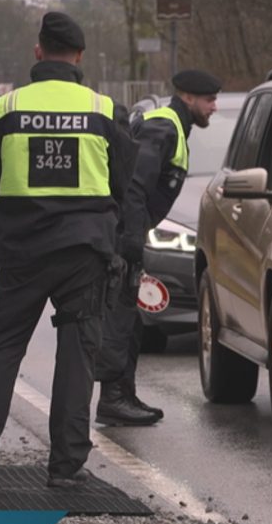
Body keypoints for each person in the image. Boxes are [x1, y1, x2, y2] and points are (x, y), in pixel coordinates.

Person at [0, 11, 135, 487]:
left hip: (23, 251)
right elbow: (122, 180)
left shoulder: (5, 108)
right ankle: (66, 468)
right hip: (85, 253)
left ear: (38, 52)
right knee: (76, 355)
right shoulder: (105, 111)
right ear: (80, 58)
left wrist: (23, 204)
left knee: (1, 349)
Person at [93, 68, 221, 426]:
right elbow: (133, 186)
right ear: (189, 98)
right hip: (121, 237)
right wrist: (132, 242)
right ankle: (113, 399)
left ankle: (123, 394)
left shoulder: (174, 128)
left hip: (125, 234)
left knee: (130, 319)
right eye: (209, 100)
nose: (214, 106)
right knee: (120, 319)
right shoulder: (163, 127)